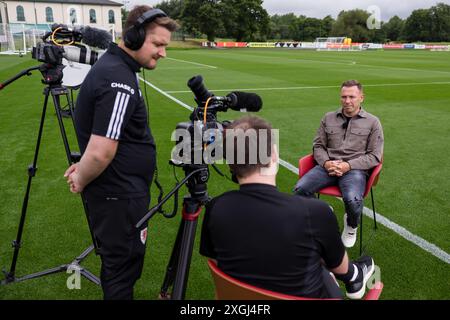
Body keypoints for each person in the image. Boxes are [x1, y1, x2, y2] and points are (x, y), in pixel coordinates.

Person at [64, 6, 177, 299]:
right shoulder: (118, 79)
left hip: (118, 192)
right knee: (121, 272)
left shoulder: (116, 69)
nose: (163, 53)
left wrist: (82, 168)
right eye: (158, 44)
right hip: (119, 196)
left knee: (119, 268)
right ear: (135, 36)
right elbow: (101, 151)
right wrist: (82, 178)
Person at [200, 115, 375, 299]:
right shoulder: (316, 212)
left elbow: (220, 265)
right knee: (331, 271)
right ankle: (356, 275)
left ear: (230, 163)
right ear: (273, 155)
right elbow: (340, 267)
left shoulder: (215, 207)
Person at [293, 80, 384, 248]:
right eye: (344, 97)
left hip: (355, 170)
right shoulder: (328, 117)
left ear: (361, 98)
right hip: (327, 166)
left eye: (352, 97)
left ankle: (351, 225)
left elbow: (375, 156)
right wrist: (327, 163)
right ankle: (322, 210)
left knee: (353, 200)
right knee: (300, 190)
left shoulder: (373, 122)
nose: (347, 101)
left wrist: (348, 166)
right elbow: (318, 146)